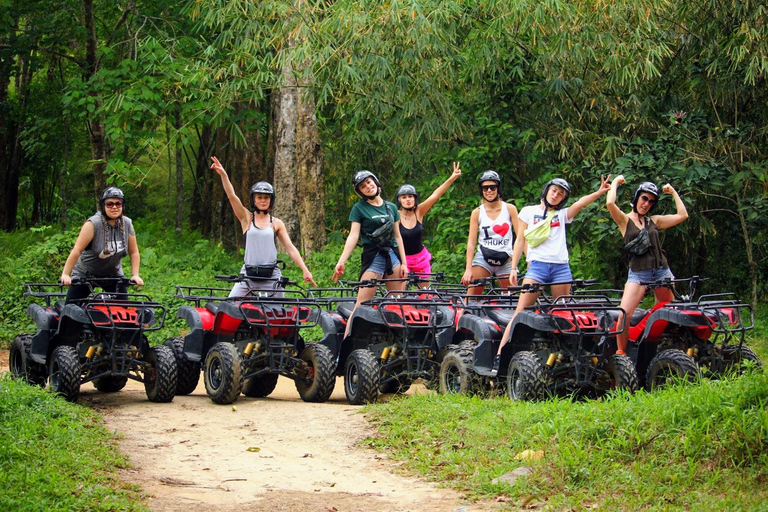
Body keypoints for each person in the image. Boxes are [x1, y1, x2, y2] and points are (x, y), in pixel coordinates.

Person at [494, 175, 611, 373]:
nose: (556, 195)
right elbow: (520, 240)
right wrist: (514, 267)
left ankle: (563, 361)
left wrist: (600, 192)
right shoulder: (529, 211)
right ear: (547, 190)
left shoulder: (562, 214)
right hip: (537, 266)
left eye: (561, 194)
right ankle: (500, 356)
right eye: (554, 190)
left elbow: (581, 203)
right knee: (521, 311)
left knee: (563, 313)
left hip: (560, 268)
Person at [210, 156, 316, 297]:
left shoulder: (276, 223)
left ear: (271, 200)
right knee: (231, 305)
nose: (263, 200)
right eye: (259, 197)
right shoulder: (246, 218)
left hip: (271, 274)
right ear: (254, 199)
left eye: (266, 197)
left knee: (280, 310)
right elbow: (231, 196)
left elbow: (290, 249)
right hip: (248, 273)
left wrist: (305, 270)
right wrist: (223, 175)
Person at [606, 176, 688, 355]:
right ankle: (621, 353)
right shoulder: (624, 220)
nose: (646, 204)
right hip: (638, 273)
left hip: (661, 272)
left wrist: (673, 192)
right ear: (636, 198)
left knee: (669, 313)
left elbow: (683, 215)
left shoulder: (654, 221)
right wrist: (615, 183)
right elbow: (610, 203)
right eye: (644, 198)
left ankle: (660, 348)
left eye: (651, 201)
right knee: (623, 315)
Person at [333, 170, 409, 336]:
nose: (368, 186)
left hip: (392, 257)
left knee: (397, 303)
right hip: (373, 256)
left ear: (375, 181)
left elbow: (398, 236)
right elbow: (353, 236)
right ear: (359, 191)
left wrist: (404, 263)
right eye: (363, 186)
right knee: (362, 304)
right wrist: (342, 261)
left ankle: (395, 347)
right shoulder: (359, 208)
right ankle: (345, 348)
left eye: (369, 182)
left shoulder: (392, 207)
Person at [60, 187, 143, 303]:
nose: (114, 207)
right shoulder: (93, 224)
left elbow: (133, 252)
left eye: (118, 203)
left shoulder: (127, 224)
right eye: (110, 204)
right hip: (86, 273)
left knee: (123, 311)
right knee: (71, 310)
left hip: (113, 274)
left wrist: (135, 275)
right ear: (103, 206)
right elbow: (77, 250)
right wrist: (66, 274)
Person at [396, 161, 462, 286]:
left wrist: (452, 178)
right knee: (400, 294)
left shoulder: (419, 211)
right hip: (403, 259)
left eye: (410, 196)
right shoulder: (396, 214)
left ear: (415, 198)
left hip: (420, 259)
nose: (408, 199)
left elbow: (435, 195)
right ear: (399, 200)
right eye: (404, 197)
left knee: (425, 294)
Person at [460, 170, 522, 295]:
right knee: (471, 296)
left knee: (511, 298)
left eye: (492, 187)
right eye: (485, 188)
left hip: (506, 257)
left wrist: (529, 261)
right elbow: (471, 242)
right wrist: (468, 269)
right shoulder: (477, 212)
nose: (489, 191)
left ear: (498, 188)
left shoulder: (510, 209)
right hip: (484, 257)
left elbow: (521, 237)